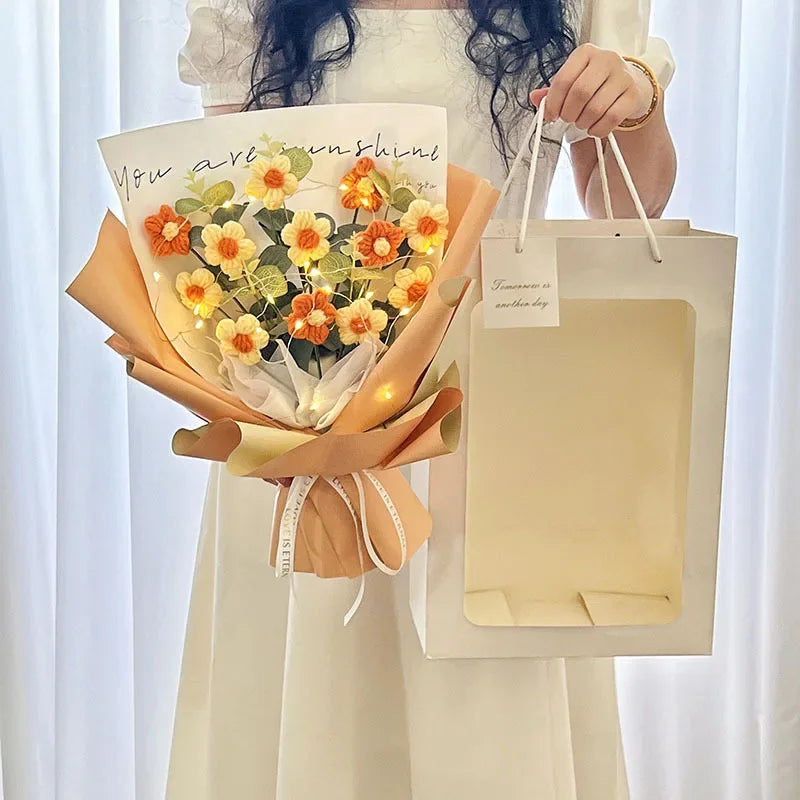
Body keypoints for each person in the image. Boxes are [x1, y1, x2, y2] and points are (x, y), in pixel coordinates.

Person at [169, 2, 676, 798]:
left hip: (491, 411)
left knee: (487, 719)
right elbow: (221, 225)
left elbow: (623, 211)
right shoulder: (248, 12)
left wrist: (636, 99)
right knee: (314, 703)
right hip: (302, 408)